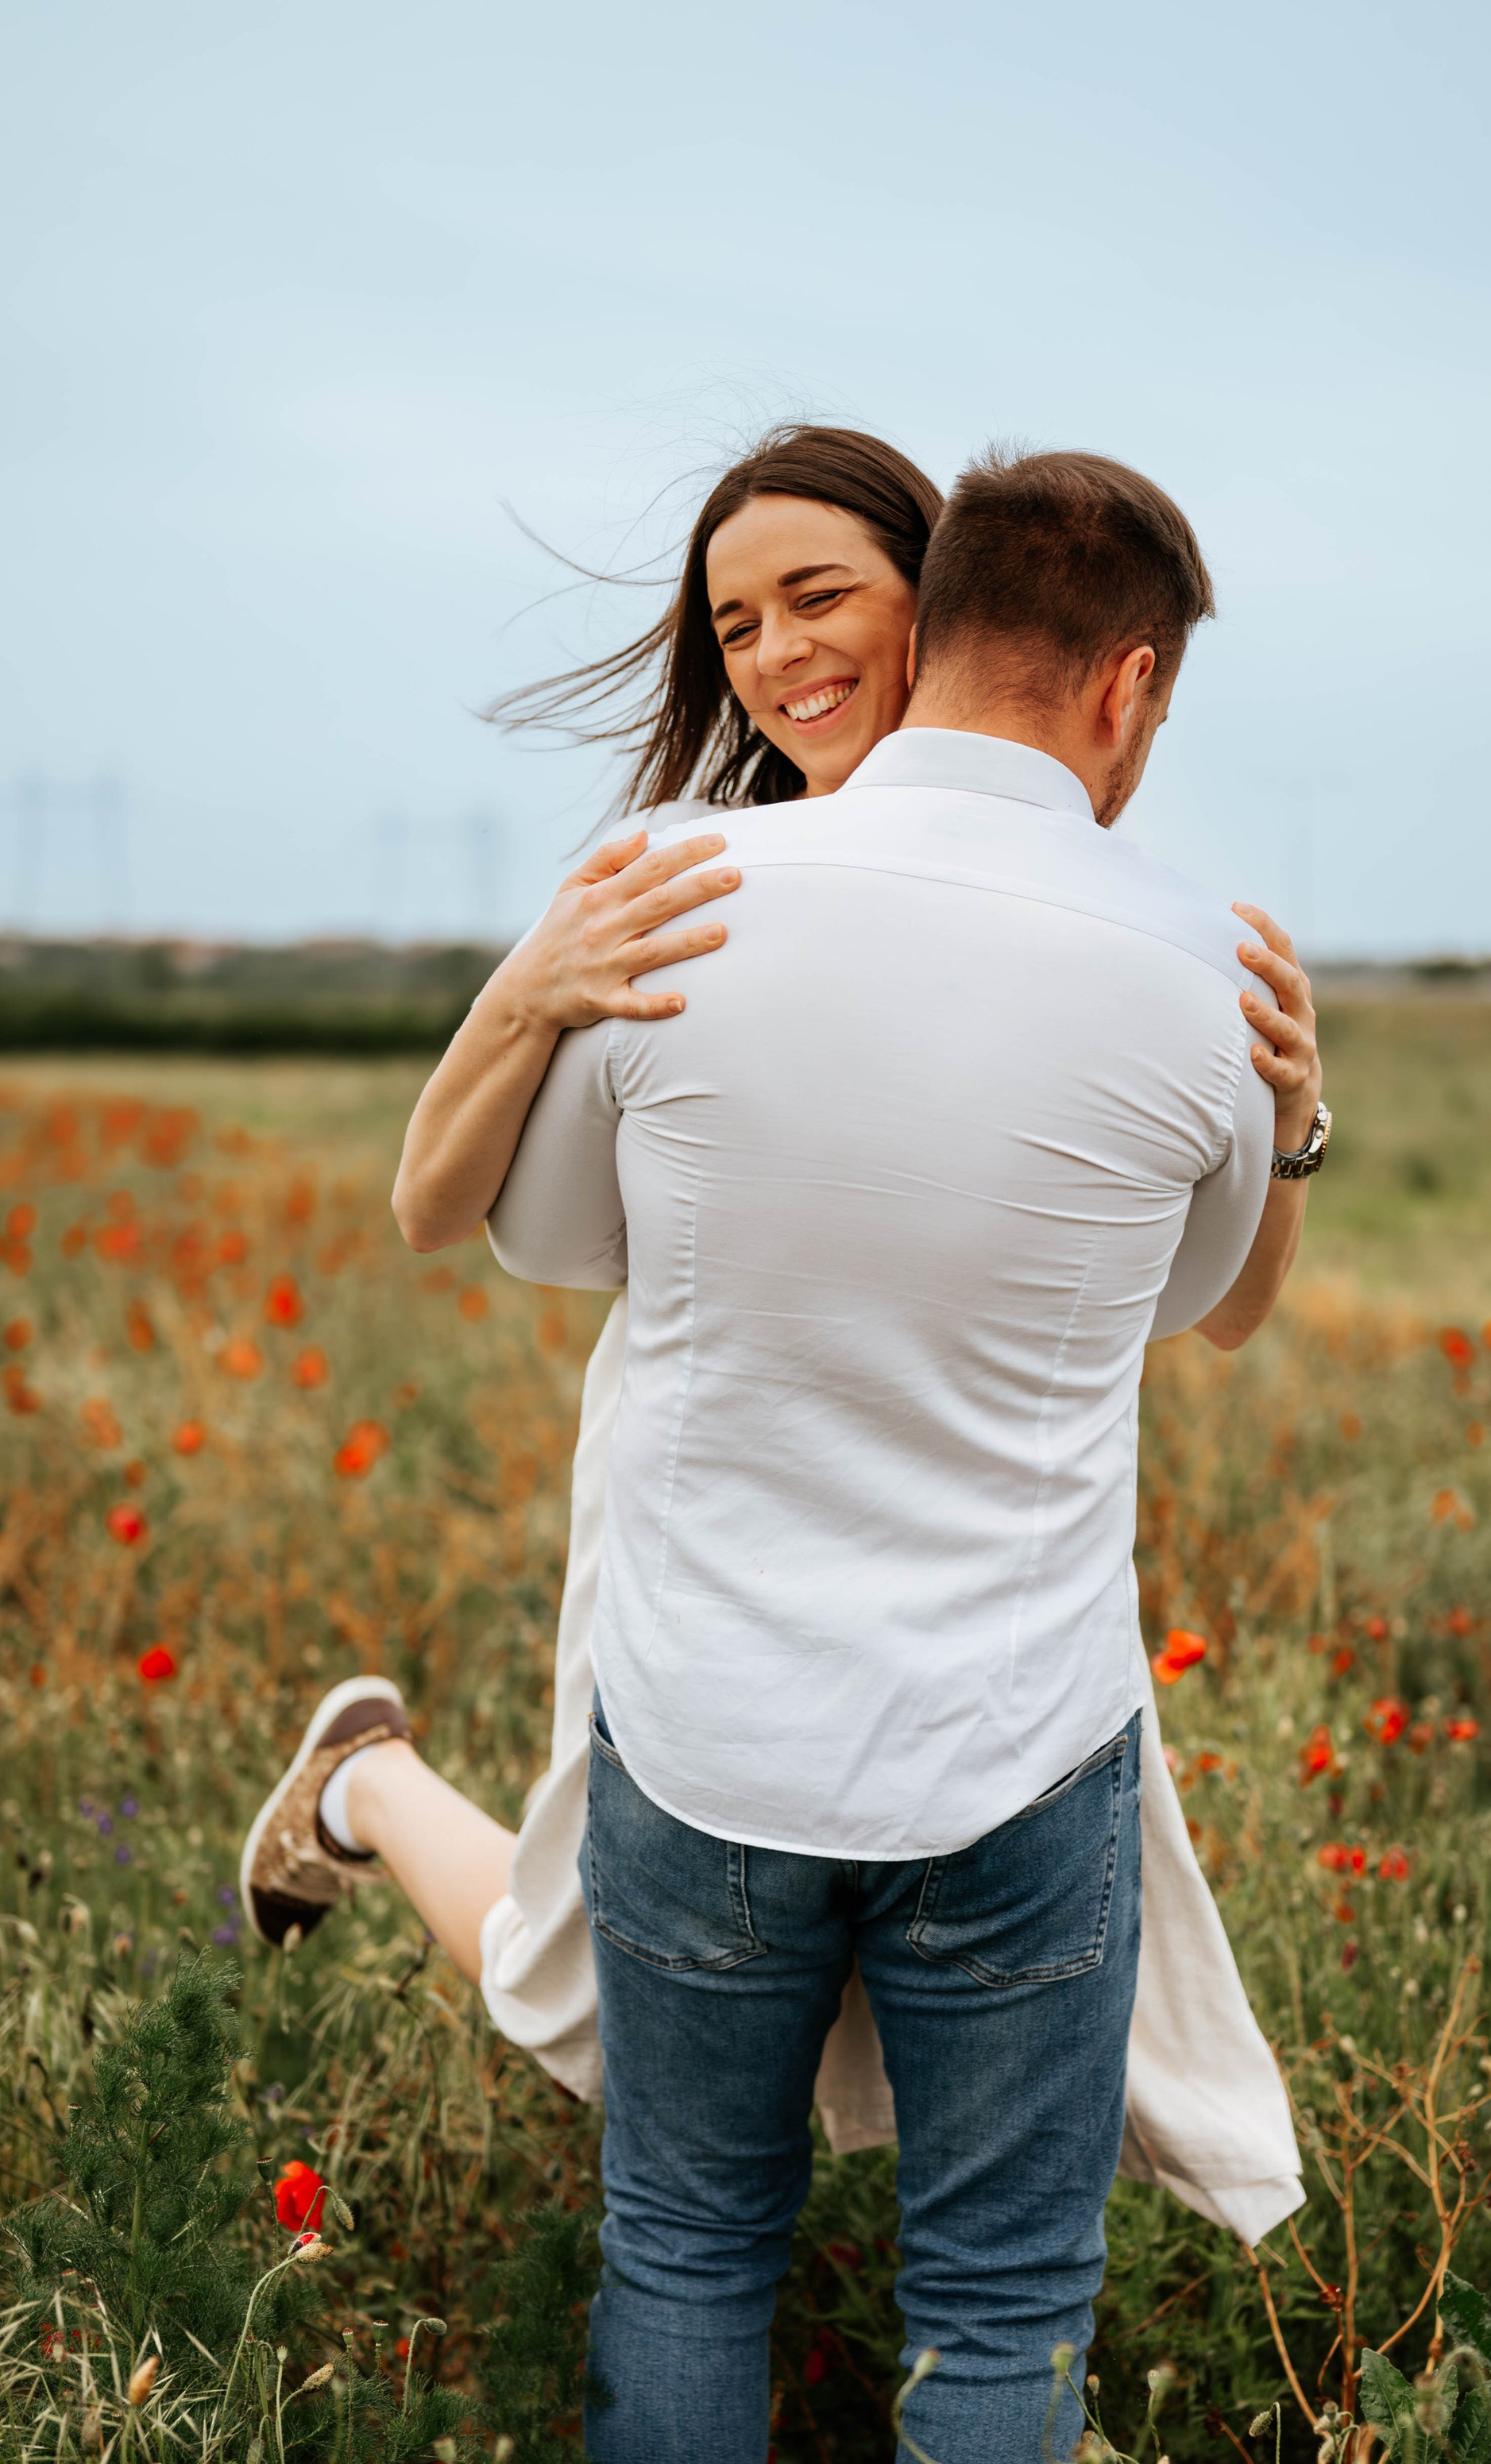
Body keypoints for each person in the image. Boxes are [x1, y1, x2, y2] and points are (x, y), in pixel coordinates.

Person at [388, 444, 1323, 2464]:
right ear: (1125, 683)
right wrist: (1304, 1104)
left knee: (685, 2252)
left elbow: (549, 1236)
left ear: (934, 625)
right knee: (997, 2306)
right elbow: (1221, 1302)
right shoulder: (1198, 972)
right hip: (1017, 1743)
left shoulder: (682, 912)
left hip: (699, 1719)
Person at [239, 424, 1311, 2242]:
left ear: (942, 600)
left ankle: (365, 1788)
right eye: (734, 625)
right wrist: (524, 994)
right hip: (715, 1540)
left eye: (820, 596)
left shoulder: (1100, 918)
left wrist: (1287, 1124)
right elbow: (438, 1208)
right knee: (569, 1993)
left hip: (973, 1603)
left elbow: (1201, 1298)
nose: (777, 655)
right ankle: (360, 1781)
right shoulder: (685, 883)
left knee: (811, 2063)